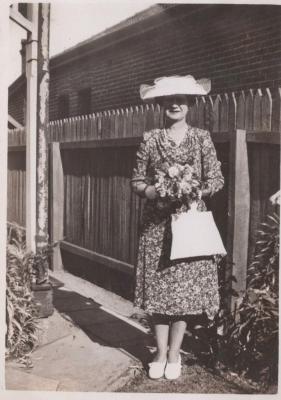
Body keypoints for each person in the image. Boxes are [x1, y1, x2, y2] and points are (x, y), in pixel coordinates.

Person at [131, 75, 224, 380]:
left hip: (188, 225)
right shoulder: (150, 139)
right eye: (169, 100)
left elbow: (216, 180)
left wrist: (196, 190)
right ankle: (159, 352)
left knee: (182, 294)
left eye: (181, 100)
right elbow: (137, 182)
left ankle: (174, 353)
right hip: (157, 227)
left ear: (190, 105)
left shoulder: (201, 138)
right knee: (158, 292)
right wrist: (154, 192)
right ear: (160, 104)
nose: (174, 104)